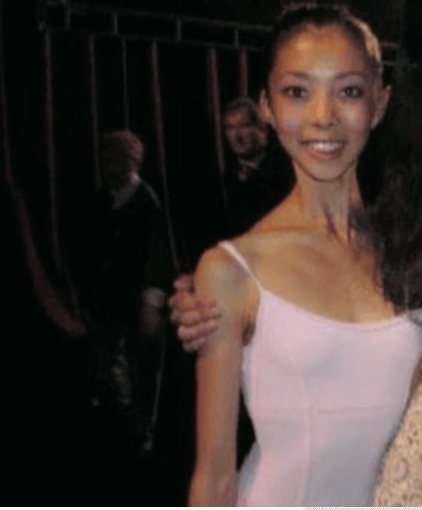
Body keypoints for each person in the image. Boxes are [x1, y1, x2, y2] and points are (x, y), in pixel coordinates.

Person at [170, 3, 422, 506]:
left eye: (349, 91)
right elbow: (214, 478)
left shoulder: (408, 245)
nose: (323, 117)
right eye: (297, 92)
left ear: (380, 103)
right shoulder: (231, 270)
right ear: (267, 106)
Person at [86, 130, 174, 457]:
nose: (103, 165)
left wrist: (151, 303)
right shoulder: (102, 198)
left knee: (143, 370)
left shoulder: (147, 202)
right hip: (109, 303)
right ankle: (120, 429)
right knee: (110, 368)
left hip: (140, 303)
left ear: (129, 162)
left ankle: (142, 436)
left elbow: (158, 257)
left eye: (110, 159)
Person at [219, 96, 295, 238]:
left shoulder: (289, 172)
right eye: (230, 128)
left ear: (262, 129)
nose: (237, 136)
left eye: (244, 126)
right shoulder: (226, 176)